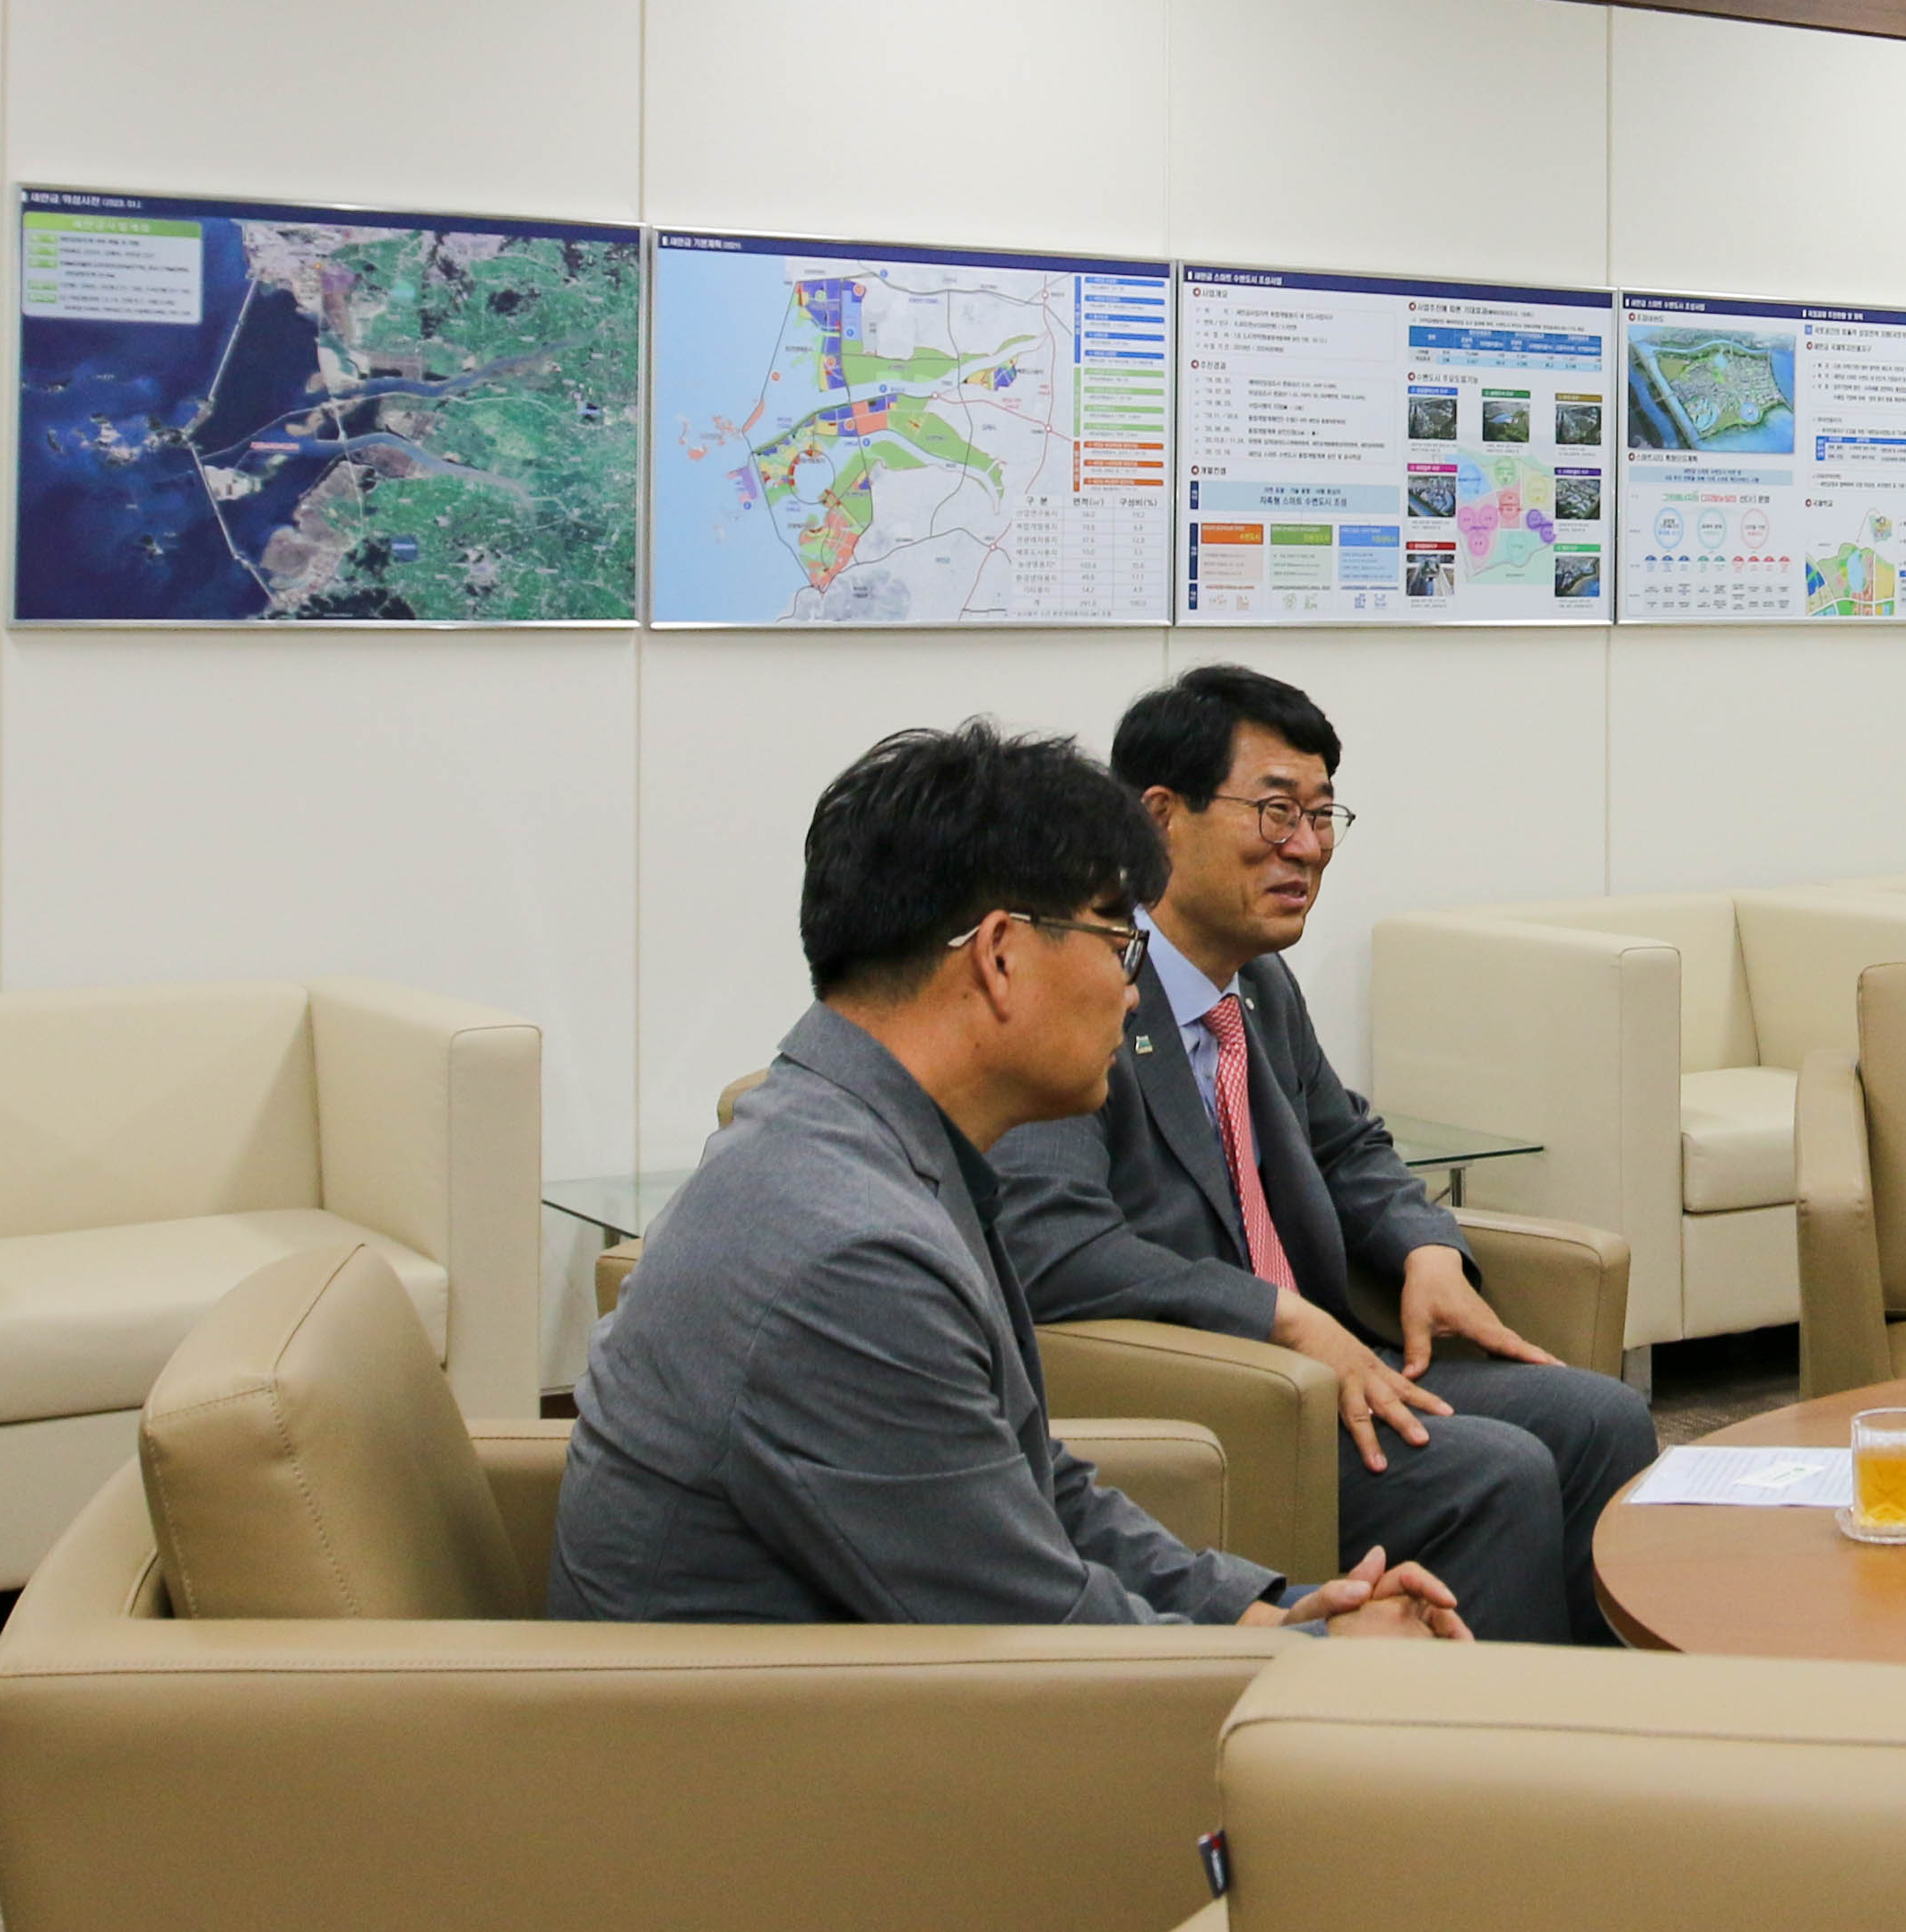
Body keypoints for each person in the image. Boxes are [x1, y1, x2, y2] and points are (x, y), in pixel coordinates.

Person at [552, 718, 1461, 1640]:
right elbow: (1033, 1631)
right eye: (1118, 945)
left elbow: (1033, 1489)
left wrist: (1263, 1608)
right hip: (793, 1753)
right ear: (999, 955)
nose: (1133, 990)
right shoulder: (849, 1253)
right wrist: (1317, 1653)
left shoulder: (872, 1142)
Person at [991, 667, 1657, 1646]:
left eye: (1321, 813)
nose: (1306, 847)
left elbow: (1350, 1143)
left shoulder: (1256, 983)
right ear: (1161, 817)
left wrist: (1426, 1246)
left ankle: (1599, 1731)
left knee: (1603, 1417)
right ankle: (1488, 1769)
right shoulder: (1080, 987)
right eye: (1274, 812)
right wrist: (1282, 1319)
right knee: (1497, 1470)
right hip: (1229, 1393)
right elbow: (1056, 1246)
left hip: (1340, 1357)